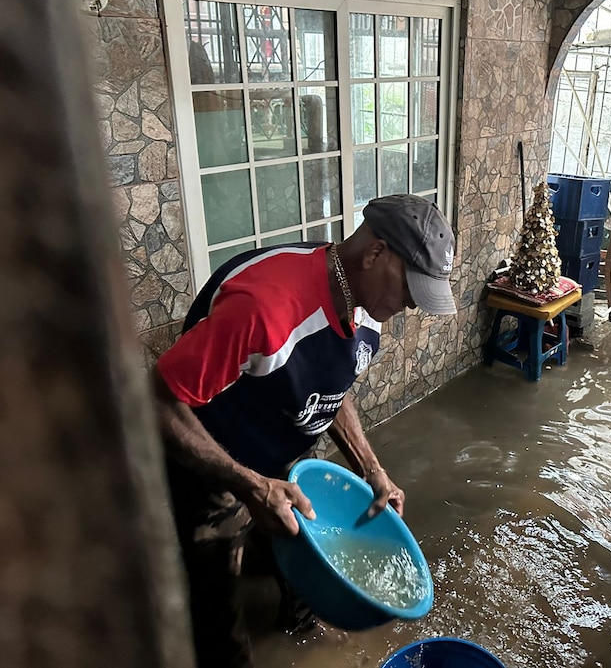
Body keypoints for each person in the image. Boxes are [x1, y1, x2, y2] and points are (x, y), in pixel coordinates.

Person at [153, 194, 457, 668]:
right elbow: (158, 401)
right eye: (410, 290)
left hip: (280, 450)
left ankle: (297, 627)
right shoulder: (264, 309)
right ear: (376, 254)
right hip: (213, 457)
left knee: (305, 557)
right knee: (218, 610)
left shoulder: (367, 303)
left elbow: (331, 386)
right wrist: (250, 485)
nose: (411, 306)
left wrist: (371, 467)